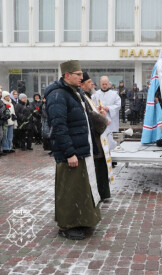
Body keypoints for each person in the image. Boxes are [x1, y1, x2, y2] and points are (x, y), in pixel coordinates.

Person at [45, 60, 101, 240]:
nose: (82, 77)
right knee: (68, 191)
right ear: (67, 75)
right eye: (78, 74)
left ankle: (82, 219)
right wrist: (69, 153)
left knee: (80, 188)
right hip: (71, 152)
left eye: (81, 73)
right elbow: (59, 127)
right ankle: (67, 226)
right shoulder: (58, 95)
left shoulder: (75, 92)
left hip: (81, 149)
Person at [81, 72, 113, 201]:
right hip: (94, 138)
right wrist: (104, 120)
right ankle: (100, 193)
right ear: (82, 85)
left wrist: (101, 113)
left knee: (101, 167)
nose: (92, 84)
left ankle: (103, 193)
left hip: (98, 138)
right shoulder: (83, 97)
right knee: (98, 169)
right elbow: (90, 116)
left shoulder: (89, 96)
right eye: (89, 82)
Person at [92, 76, 121, 150]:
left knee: (111, 141)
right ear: (100, 84)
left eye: (106, 84)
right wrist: (97, 108)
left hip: (111, 120)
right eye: (103, 84)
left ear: (108, 84)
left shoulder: (114, 94)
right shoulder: (95, 94)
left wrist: (109, 108)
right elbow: (92, 105)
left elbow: (118, 105)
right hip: (100, 120)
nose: (104, 86)